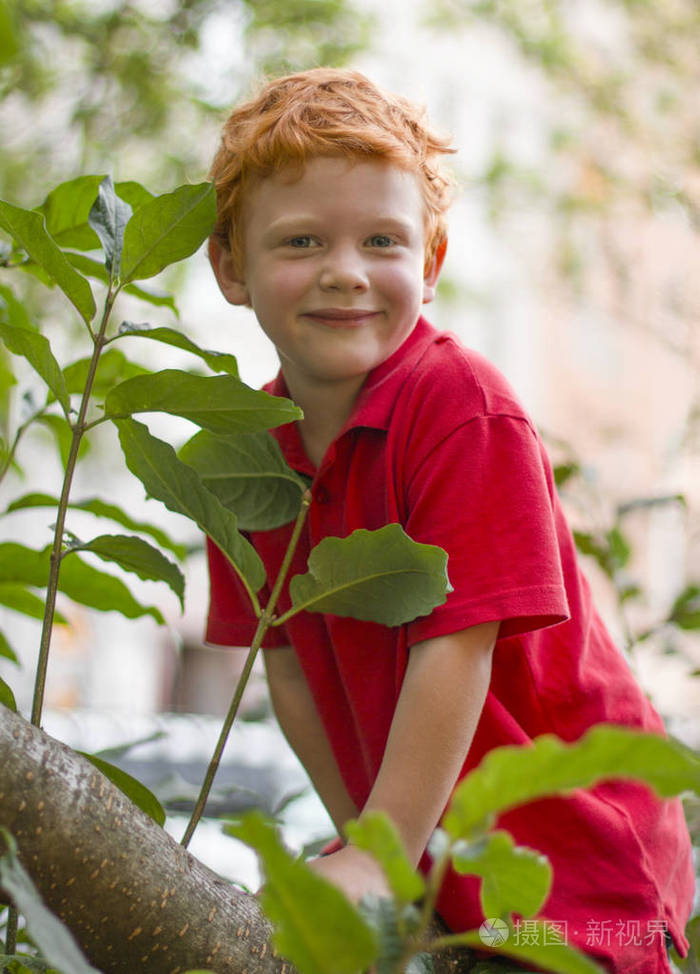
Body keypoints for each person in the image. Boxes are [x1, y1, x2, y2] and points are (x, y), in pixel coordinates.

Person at [203, 67, 694, 971]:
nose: (345, 271)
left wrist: (379, 857)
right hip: (436, 865)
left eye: (381, 241)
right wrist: (370, 853)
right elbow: (291, 669)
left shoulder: (461, 407)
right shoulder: (243, 452)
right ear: (231, 267)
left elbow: (456, 649)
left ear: (429, 264)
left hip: (579, 879)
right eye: (302, 240)